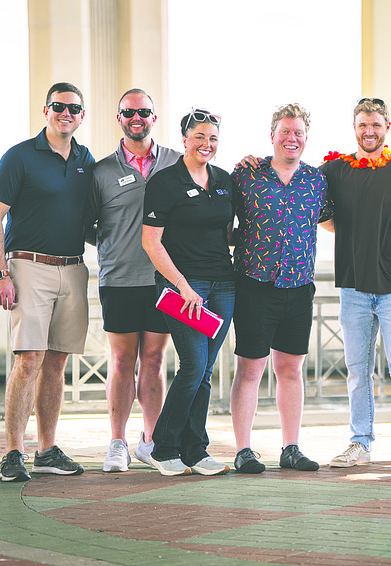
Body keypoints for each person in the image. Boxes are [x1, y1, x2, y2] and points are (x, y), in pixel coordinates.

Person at [0, 82, 94, 482]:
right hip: (28, 266)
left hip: (74, 267)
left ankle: (47, 450)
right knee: (28, 359)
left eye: (75, 108)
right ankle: (14, 451)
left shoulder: (86, 159)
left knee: (56, 362)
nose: (67, 113)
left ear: (83, 114)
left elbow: (96, 219)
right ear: (46, 110)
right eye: (59, 106)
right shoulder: (20, 157)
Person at [320, 98, 391, 474]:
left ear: (387, 127)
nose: (369, 131)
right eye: (363, 125)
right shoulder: (335, 171)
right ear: (355, 127)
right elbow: (302, 193)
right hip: (353, 288)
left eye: (376, 125)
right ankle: (360, 442)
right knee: (357, 370)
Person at [228, 103, 329, 473]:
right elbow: (224, 221)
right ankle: (243, 449)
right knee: (250, 369)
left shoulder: (317, 181)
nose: (292, 138)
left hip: (299, 288)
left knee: (290, 370)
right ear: (272, 136)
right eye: (285, 131)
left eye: (298, 132)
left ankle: (291, 447)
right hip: (255, 284)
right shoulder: (246, 177)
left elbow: (331, 221)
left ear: (306, 138)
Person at [85, 88, 180, 472]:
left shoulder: (176, 161)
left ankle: (151, 442)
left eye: (143, 111)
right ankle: (118, 443)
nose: (136, 117)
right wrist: (114, 245)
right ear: (119, 118)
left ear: (154, 117)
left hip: (164, 282)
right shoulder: (101, 171)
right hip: (119, 279)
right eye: (128, 112)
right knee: (122, 361)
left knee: (154, 362)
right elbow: (87, 225)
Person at [141, 109, 235, 476]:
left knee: (205, 369)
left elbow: (229, 232)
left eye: (212, 138)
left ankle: (195, 450)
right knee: (193, 365)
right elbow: (152, 243)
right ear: (184, 139)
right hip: (183, 286)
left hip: (224, 284)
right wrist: (182, 286)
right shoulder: (164, 182)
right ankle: (162, 447)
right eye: (199, 137)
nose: (206, 144)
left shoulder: (225, 180)